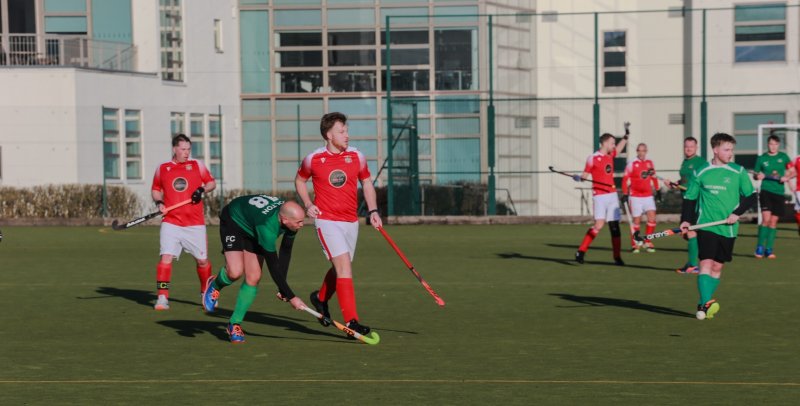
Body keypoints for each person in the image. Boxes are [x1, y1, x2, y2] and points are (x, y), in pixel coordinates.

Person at [295, 112, 382, 338]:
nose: (347, 135)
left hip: (351, 222)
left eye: (346, 130)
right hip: (326, 221)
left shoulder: (356, 156)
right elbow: (300, 180)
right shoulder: (313, 159)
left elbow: (366, 182)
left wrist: (373, 211)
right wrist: (307, 204)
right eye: (341, 131)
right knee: (344, 267)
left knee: (339, 269)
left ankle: (321, 298)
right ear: (328, 134)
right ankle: (352, 322)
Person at [202, 195, 307, 343]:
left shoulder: (291, 219)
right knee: (235, 272)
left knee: (254, 277)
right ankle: (215, 285)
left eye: (302, 220)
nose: (302, 225)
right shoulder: (267, 228)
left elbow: (285, 250)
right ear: (284, 220)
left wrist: (282, 288)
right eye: (299, 222)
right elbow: (273, 265)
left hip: (253, 224)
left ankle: (234, 324)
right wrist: (292, 297)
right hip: (234, 220)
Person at [680, 132, 757, 320]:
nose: (730, 153)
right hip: (706, 225)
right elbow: (690, 197)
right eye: (726, 149)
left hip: (728, 227)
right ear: (715, 149)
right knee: (705, 262)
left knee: (717, 268)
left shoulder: (738, 172)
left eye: (731, 149)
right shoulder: (701, 171)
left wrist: (736, 214)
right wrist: (686, 220)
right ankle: (706, 303)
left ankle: (704, 304)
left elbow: (750, 196)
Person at [150, 134, 216, 310]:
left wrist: (201, 189)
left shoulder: (197, 165)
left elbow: (211, 183)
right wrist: (159, 202)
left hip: (195, 223)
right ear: (174, 149)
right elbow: (156, 189)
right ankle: (162, 297)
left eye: (188, 149)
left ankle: (205, 292)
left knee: (202, 261)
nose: (186, 153)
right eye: (183, 149)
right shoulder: (162, 168)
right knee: (166, 258)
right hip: (171, 222)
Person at [574, 123, 629, 265]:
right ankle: (581, 251)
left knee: (614, 226)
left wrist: (626, 135)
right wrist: (579, 177)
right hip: (599, 196)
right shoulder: (592, 158)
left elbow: (620, 147)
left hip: (611, 196)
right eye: (612, 143)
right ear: (605, 143)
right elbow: (585, 175)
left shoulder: (611, 155)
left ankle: (617, 257)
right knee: (598, 225)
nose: (613, 145)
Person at [667, 137, 706, 274]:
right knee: (687, 233)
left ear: (696, 147)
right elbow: (685, 180)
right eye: (686, 146)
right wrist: (675, 184)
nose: (688, 149)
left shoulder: (701, 162)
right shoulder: (685, 162)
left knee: (689, 232)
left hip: (695, 200)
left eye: (691, 146)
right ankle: (693, 262)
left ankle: (693, 265)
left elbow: (701, 181)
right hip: (687, 199)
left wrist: (684, 187)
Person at [753, 135, 792, 259]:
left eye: (775, 144)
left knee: (774, 222)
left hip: (779, 193)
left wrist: (788, 176)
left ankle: (769, 249)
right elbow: (755, 173)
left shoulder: (783, 157)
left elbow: (793, 170)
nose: (773, 146)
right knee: (766, 219)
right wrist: (757, 176)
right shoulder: (762, 158)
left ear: (778, 145)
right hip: (766, 191)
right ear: (767, 144)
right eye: (771, 144)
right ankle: (759, 247)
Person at [621, 143, 660, 253]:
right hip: (635, 196)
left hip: (648, 195)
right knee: (636, 220)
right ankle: (635, 243)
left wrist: (657, 190)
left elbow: (653, 176)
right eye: (639, 150)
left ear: (646, 151)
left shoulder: (649, 162)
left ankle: (648, 241)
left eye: (643, 150)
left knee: (652, 217)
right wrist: (624, 193)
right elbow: (625, 179)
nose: (641, 153)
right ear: (637, 151)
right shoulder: (631, 163)